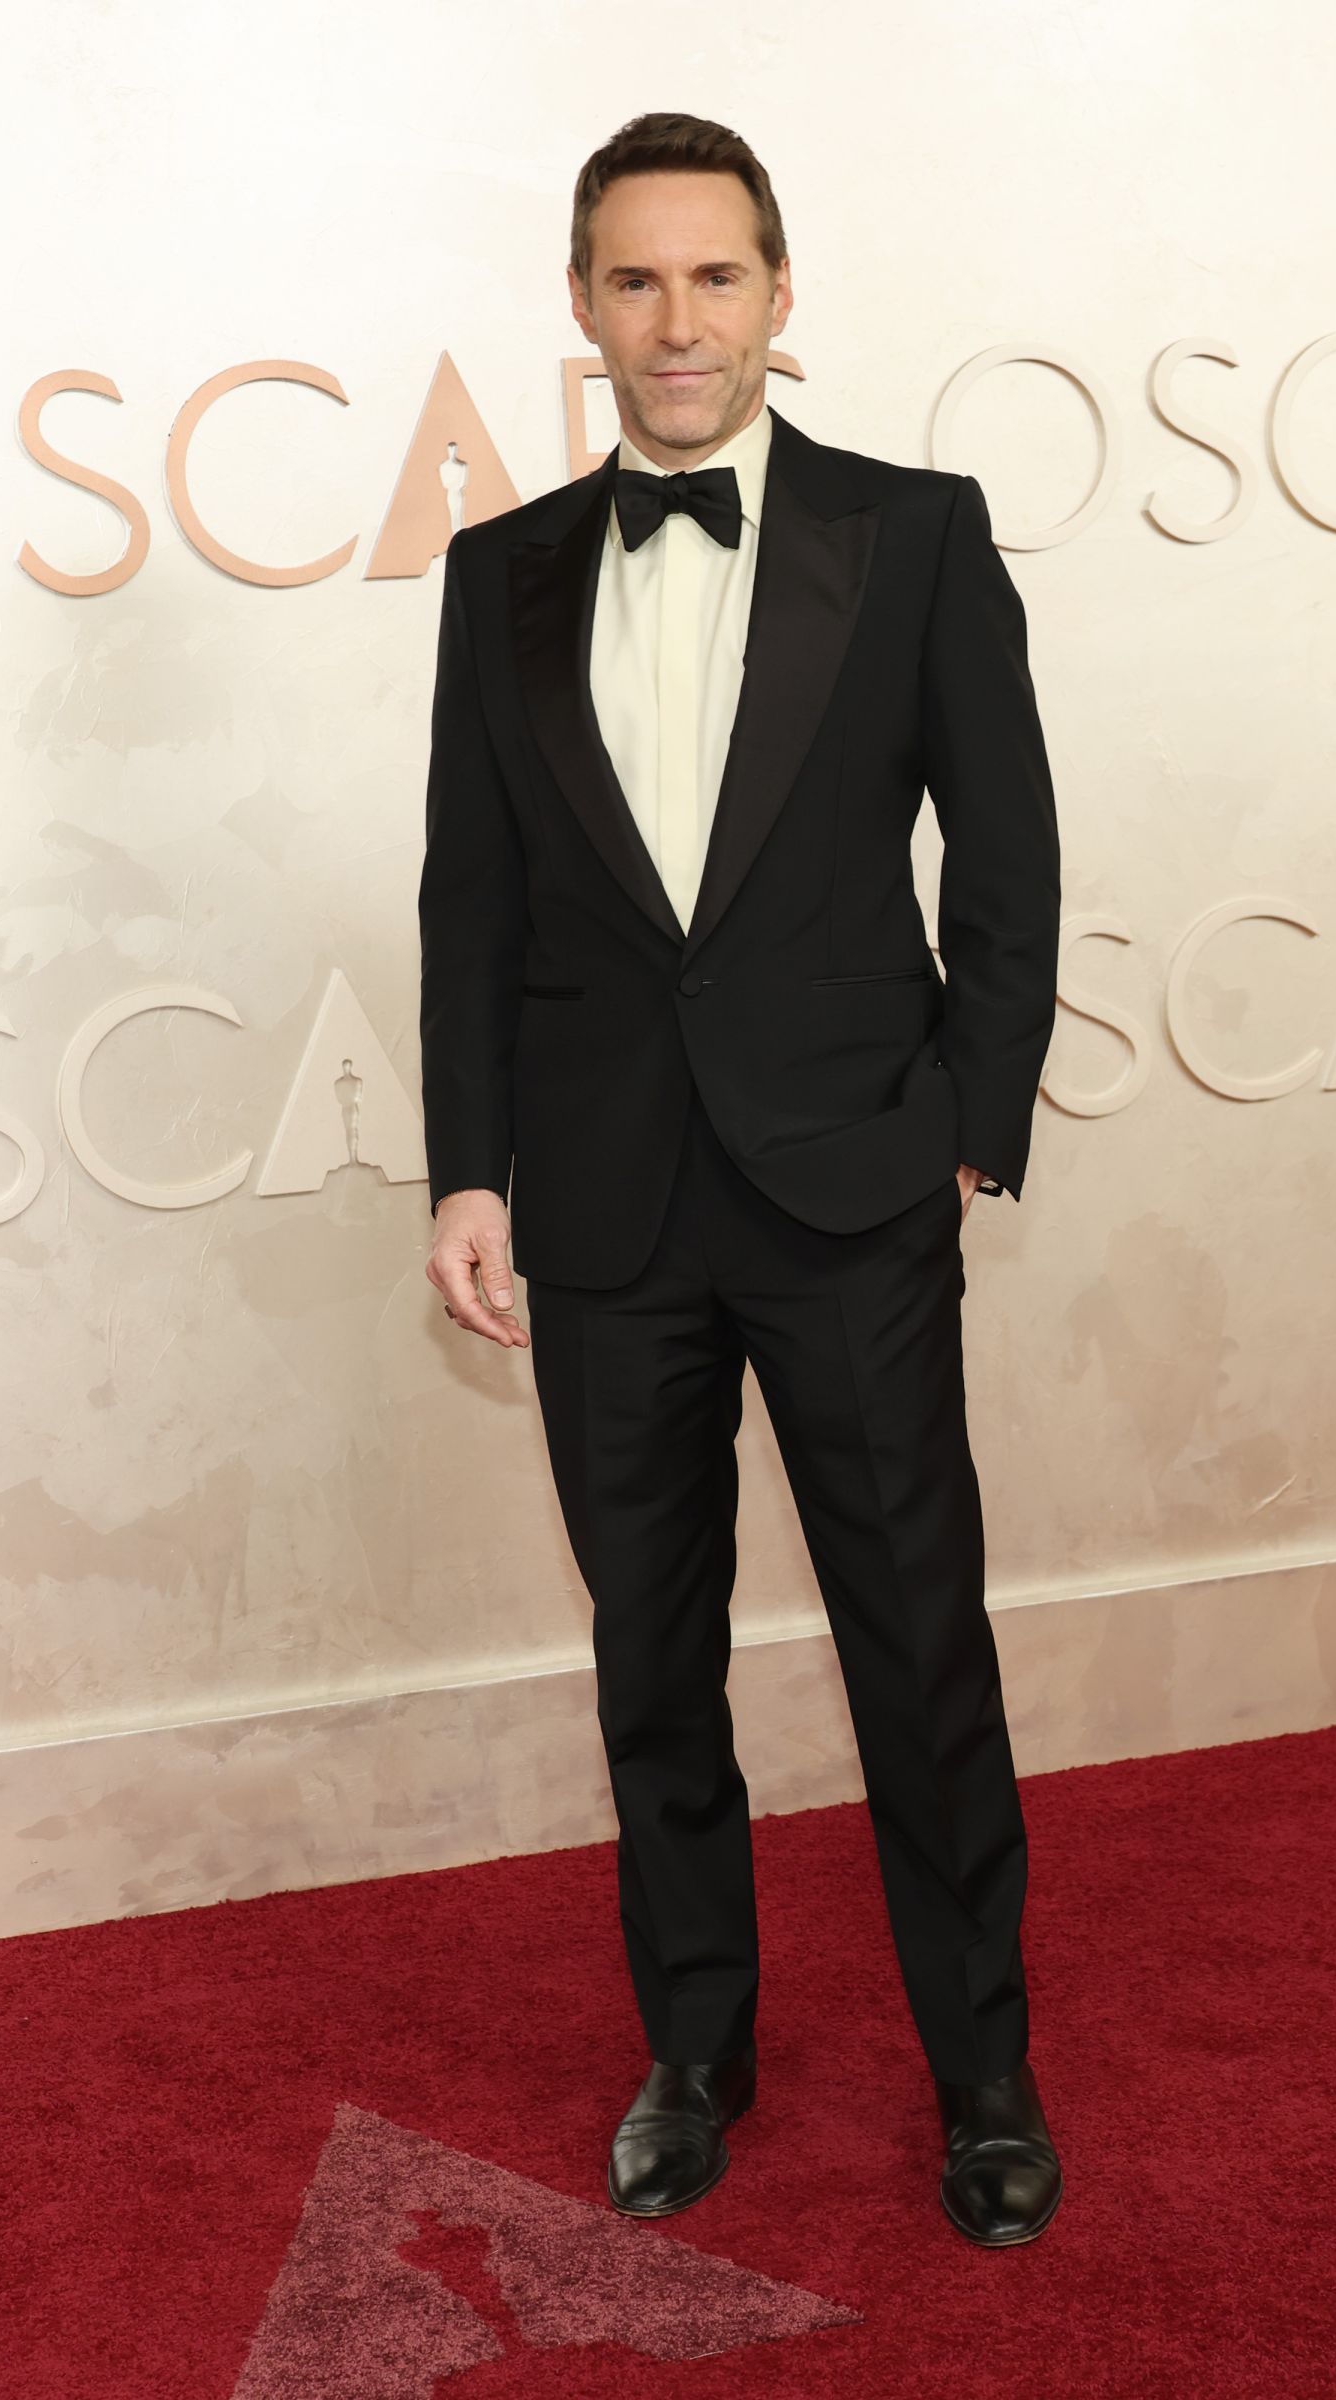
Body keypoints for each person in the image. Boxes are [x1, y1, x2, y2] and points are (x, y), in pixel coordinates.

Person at [418, 110, 1063, 2248]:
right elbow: (470, 900)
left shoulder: (913, 533)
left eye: (712, 276)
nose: (674, 319)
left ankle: (983, 2072)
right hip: (603, 1207)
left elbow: (1008, 851)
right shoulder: (501, 574)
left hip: (847, 1187)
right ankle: (693, 2053)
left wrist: (964, 1126)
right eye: (633, 279)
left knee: (917, 1649)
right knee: (651, 1660)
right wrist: (468, 1172)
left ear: (779, 298)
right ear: (581, 307)